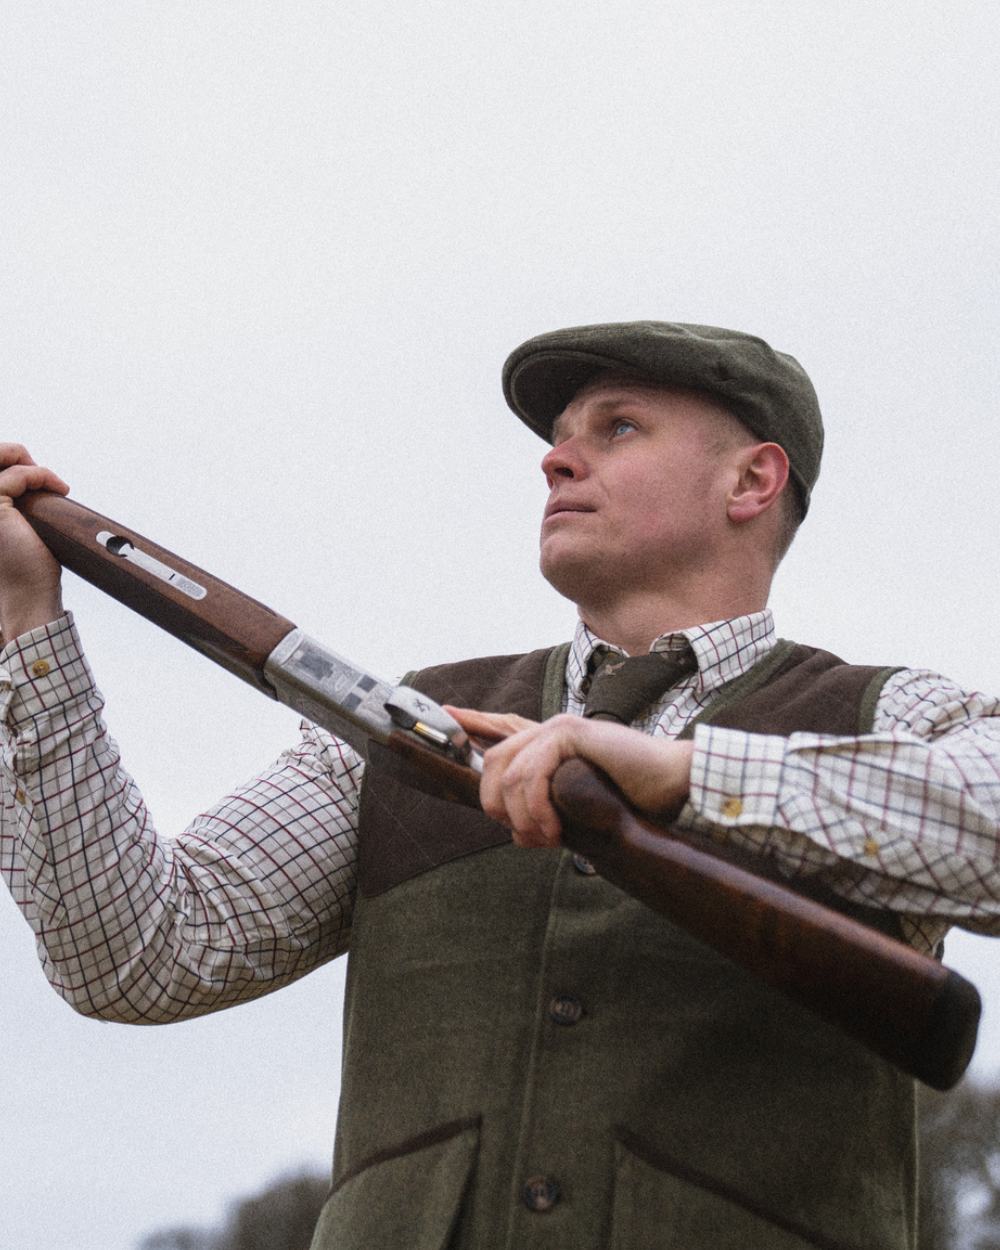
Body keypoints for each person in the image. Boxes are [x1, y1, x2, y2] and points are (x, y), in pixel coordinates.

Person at [3, 321, 1000, 1250]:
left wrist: (694, 773)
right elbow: (137, 957)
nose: (556, 458)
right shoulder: (407, 723)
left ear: (751, 480)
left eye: (616, 428)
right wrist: (25, 624)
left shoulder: (893, 714)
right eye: (561, 437)